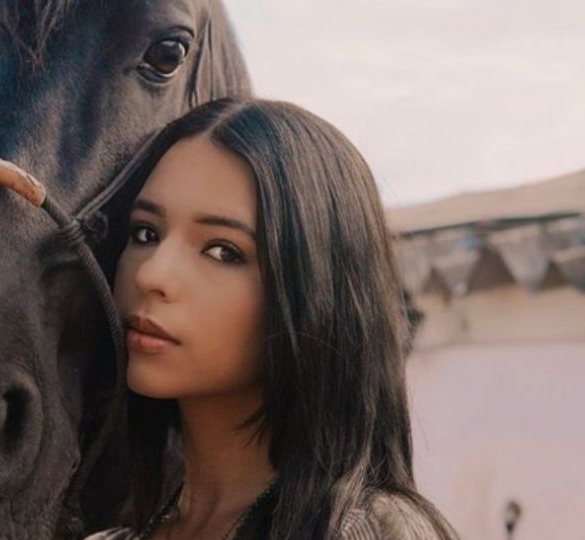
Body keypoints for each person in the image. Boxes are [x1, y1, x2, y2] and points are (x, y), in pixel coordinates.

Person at [85, 98, 458, 539]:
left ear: (314, 290)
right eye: (146, 233)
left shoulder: (363, 531)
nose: (151, 275)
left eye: (223, 251)